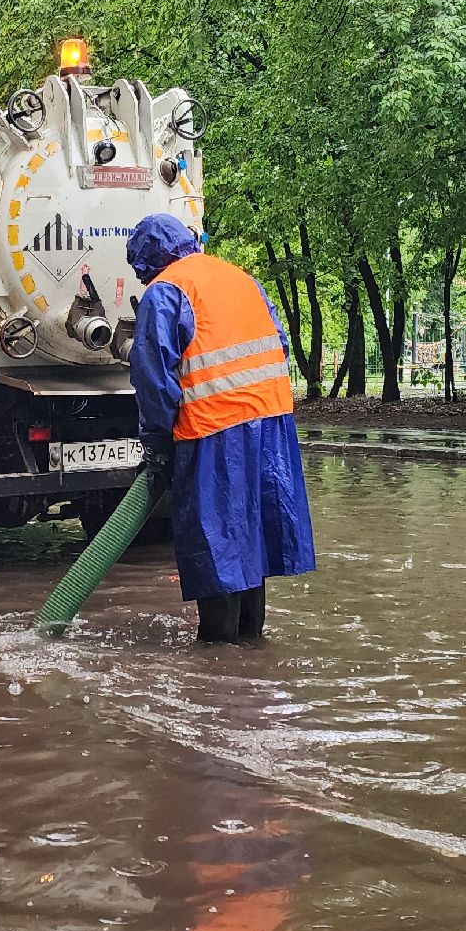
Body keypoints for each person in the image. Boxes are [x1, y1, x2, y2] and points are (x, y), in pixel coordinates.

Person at [125, 212, 316, 643]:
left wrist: (156, 445)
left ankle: (216, 658)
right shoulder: (240, 278)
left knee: (218, 540)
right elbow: (280, 343)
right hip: (271, 426)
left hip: (214, 429)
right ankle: (251, 644)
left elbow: (153, 376)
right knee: (253, 537)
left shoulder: (166, 291)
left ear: (146, 260)